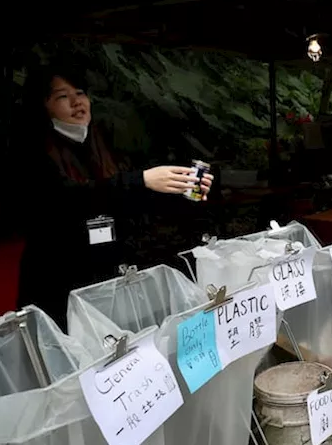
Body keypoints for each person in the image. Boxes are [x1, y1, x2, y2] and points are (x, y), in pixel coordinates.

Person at [17, 69, 212, 323]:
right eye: (63, 96)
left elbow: (122, 198)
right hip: (57, 280)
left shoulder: (98, 142)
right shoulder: (30, 152)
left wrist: (178, 188)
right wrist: (141, 181)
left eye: (80, 93)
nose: (77, 102)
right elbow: (67, 201)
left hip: (104, 275)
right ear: (42, 106)